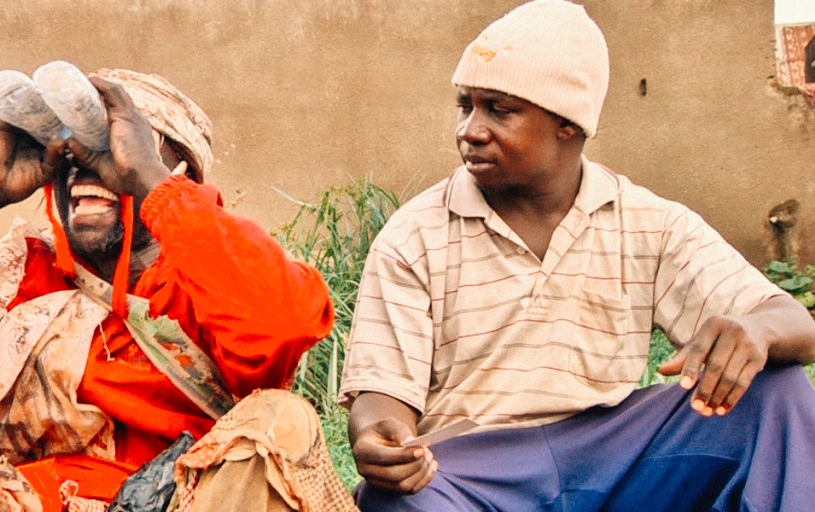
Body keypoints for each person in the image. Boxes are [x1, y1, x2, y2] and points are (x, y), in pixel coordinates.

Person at [0, 67, 355, 511]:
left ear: (175, 173)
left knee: (278, 421)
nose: (87, 170)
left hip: (188, 499)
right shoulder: (14, 286)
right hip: (32, 501)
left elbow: (281, 325)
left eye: (115, 155)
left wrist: (154, 188)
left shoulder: (212, 270)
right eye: (69, 157)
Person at [338, 1, 815, 510]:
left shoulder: (650, 223)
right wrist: (379, 435)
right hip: (472, 475)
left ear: (568, 123)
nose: (470, 130)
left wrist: (758, 331)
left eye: (499, 109)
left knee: (776, 393)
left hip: (621, 460)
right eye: (466, 105)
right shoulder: (415, 234)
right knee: (396, 501)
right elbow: (381, 395)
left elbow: (794, 323)